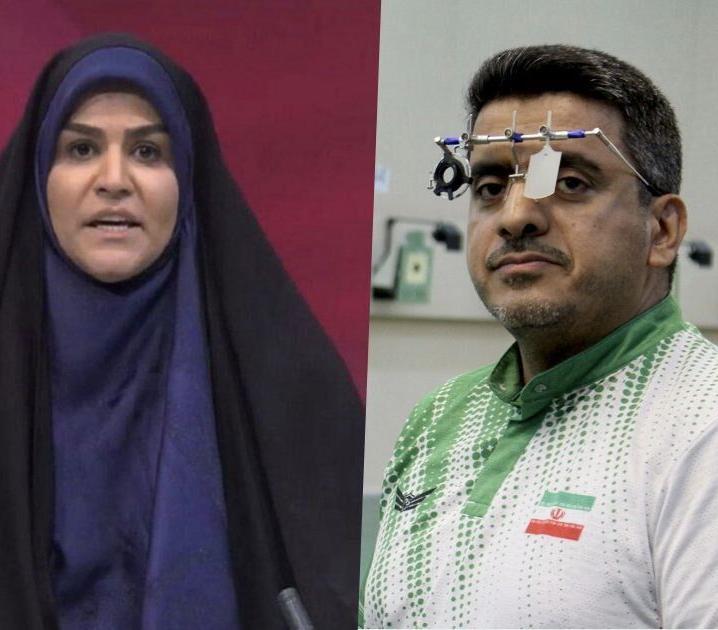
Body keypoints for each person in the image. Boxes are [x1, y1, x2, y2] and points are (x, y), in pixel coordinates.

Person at [0, 33, 364, 629]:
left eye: (147, 152)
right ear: (39, 173)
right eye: (82, 148)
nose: (114, 179)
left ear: (189, 178)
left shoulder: (289, 389)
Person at [361, 44, 718, 629]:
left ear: (662, 229)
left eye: (570, 182)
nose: (515, 215)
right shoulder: (439, 418)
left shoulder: (702, 422)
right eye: (489, 187)